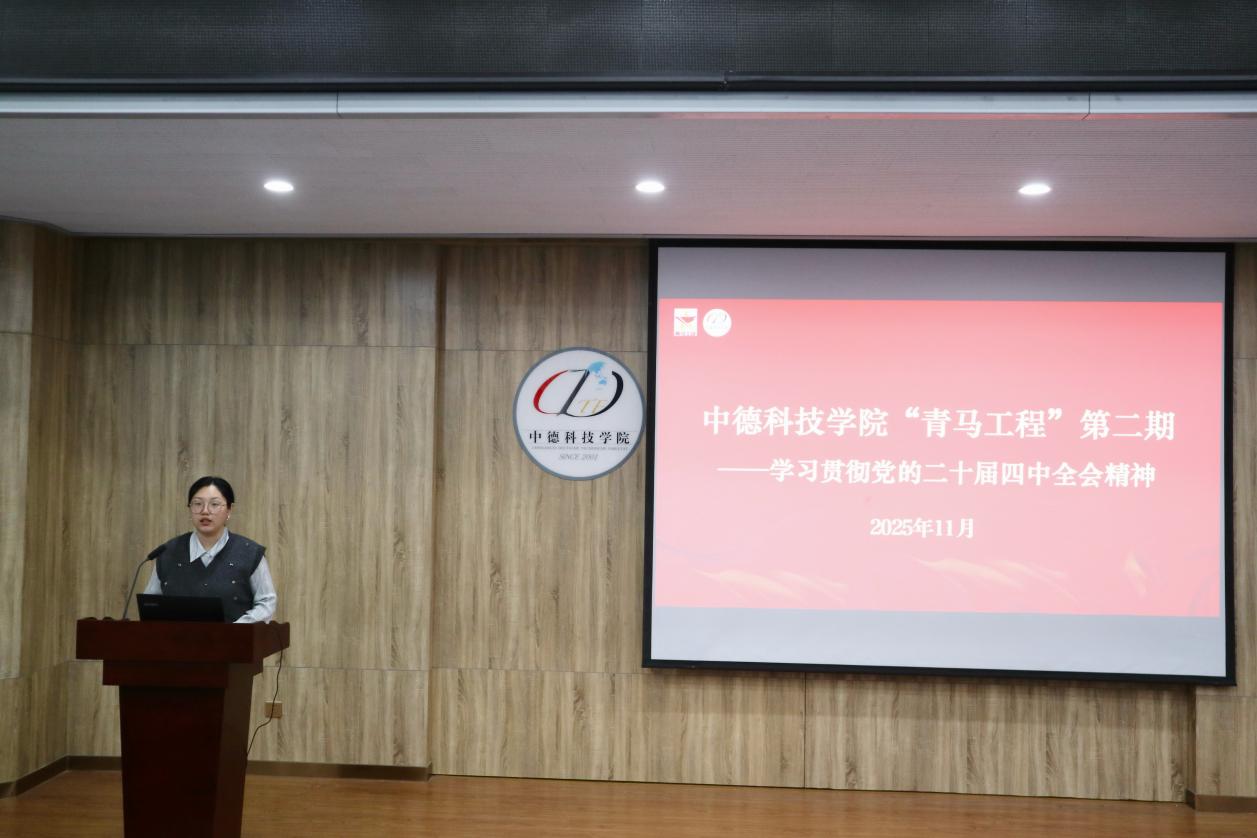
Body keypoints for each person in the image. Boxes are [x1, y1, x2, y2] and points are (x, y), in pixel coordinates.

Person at [142, 476, 277, 623]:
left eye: (214, 504)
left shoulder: (249, 553)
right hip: (177, 638)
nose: (205, 511)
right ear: (189, 508)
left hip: (234, 636)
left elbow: (266, 603)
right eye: (197, 504)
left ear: (229, 510)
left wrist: (235, 629)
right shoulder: (168, 552)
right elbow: (150, 604)